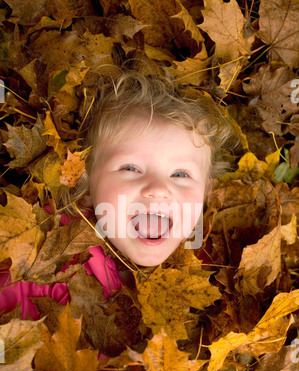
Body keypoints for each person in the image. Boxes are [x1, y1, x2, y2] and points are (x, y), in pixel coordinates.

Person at [0, 69, 241, 320]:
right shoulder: (38, 268)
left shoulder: (214, 274)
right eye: (130, 168)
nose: (158, 189)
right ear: (84, 182)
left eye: (181, 174)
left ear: (206, 191)